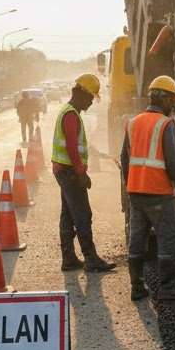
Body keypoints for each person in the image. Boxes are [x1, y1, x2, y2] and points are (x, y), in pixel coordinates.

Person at [121, 75, 175, 302]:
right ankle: (168, 287)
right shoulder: (165, 124)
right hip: (159, 193)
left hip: (135, 193)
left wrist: (131, 184)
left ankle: (136, 287)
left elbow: (124, 159)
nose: (173, 105)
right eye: (172, 100)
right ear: (165, 99)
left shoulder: (133, 122)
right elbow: (173, 161)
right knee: (168, 238)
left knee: (137, 240)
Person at [52, 74, 117, 273]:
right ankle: (91, 258)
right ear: (80, 93)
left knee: (68, 215)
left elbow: (74, 145)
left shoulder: (69, 112)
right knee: (82, 214)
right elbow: (72, 147)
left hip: (64, 171)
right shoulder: (71, 115)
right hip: (70, 172)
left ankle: (69, 258)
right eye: (89, 97)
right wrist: (81, 173)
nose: (90, 102)